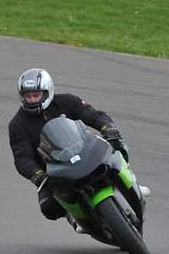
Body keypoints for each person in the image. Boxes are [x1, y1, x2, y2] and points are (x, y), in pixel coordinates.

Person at [8, 68, 129, 220]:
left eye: (36, 95)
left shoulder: (67, 101)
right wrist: (38, 175)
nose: (32, 100)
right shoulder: (17, 124)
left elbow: (92, 115)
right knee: (49, 208)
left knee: (116, 147)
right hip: (55, 172)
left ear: (47, 92)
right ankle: (76, 219)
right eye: (28, 96)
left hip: (85, 152)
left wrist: (107, 127)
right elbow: (22, 158)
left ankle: (132, 183)